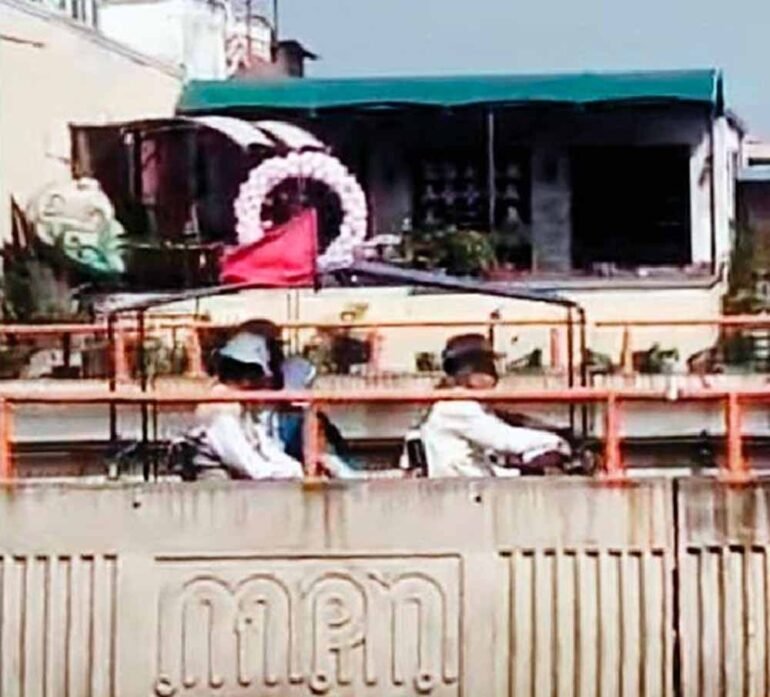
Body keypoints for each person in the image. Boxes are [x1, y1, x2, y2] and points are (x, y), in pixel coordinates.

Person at [404, 333, 571, 477]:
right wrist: (556, 441)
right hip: (463, 491)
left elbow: (480, 462)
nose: (494, 373)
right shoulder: (456, 407)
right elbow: (504, 440)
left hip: (467, 483)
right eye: (487, 366)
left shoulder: (451, 402)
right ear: (469, 371)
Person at [188, 325, 303, 480]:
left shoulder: (241, 406)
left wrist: (295, 469)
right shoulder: (220, 408)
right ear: (247, 377)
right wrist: (292, 472)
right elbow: (252, 467)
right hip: (219, 486)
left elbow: (266, 448)